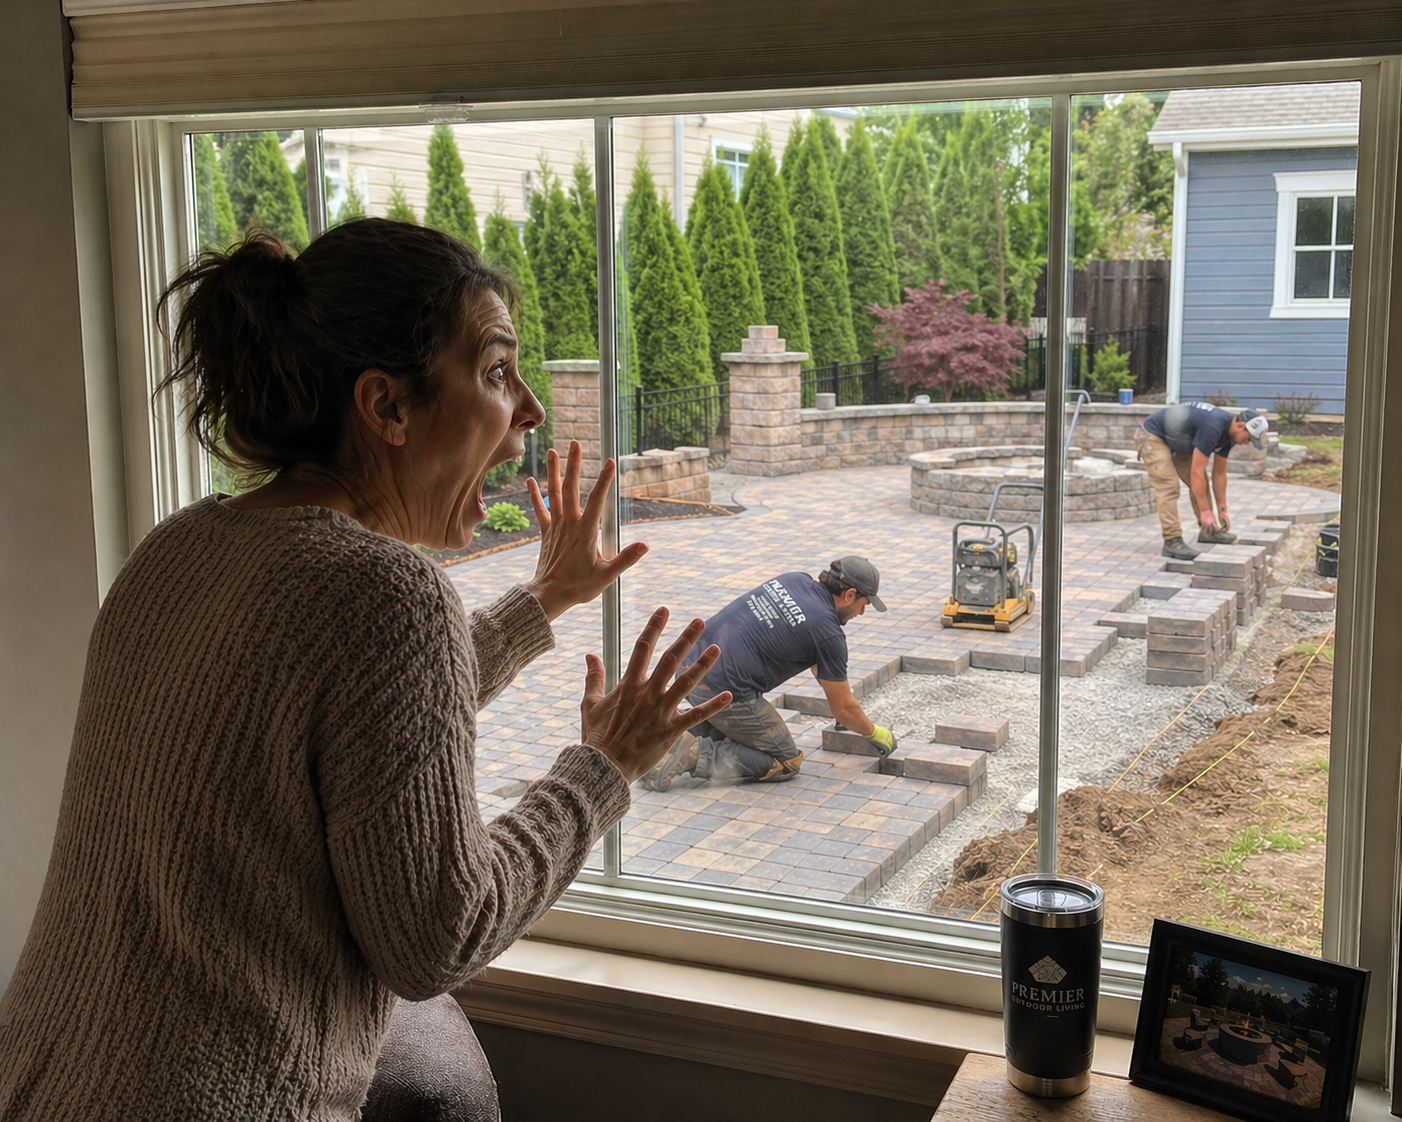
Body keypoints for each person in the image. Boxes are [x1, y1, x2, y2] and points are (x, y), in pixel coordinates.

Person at [0, 220, 732, 1120]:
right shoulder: (387, 592)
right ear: (386, 406)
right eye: (498, 372)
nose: (531, 414)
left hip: (38, 1078)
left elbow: (355, 712)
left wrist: (542, 601)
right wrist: (602, 769)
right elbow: (438, 938)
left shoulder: (177, 549)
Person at [641, 556, 896, 790]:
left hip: (689, 667)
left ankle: (661, 742)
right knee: (785, 760)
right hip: (722, 690)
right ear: (850, 594)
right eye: (865, 604)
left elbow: (823, 668)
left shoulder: (794, 579)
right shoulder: (828, 632)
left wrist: (840, 704)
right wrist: (872, 732)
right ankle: (691, 754)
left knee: (744, 730)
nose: (862, 612)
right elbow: (843, 708)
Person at [1135, 402, 1268, 560]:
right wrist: (1206, 511)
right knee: (1168, 487)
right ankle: (1172, 541)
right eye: (1249, 438)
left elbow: (1219, 473)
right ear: (1240, 425)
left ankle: (1208, 530)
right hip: (1153, 436)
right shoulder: (1212, 427)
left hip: (1179, 440)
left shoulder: (1228, 434)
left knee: (1202, 482)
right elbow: (1195, 472)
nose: (1247, 443)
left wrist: (1222, 509)